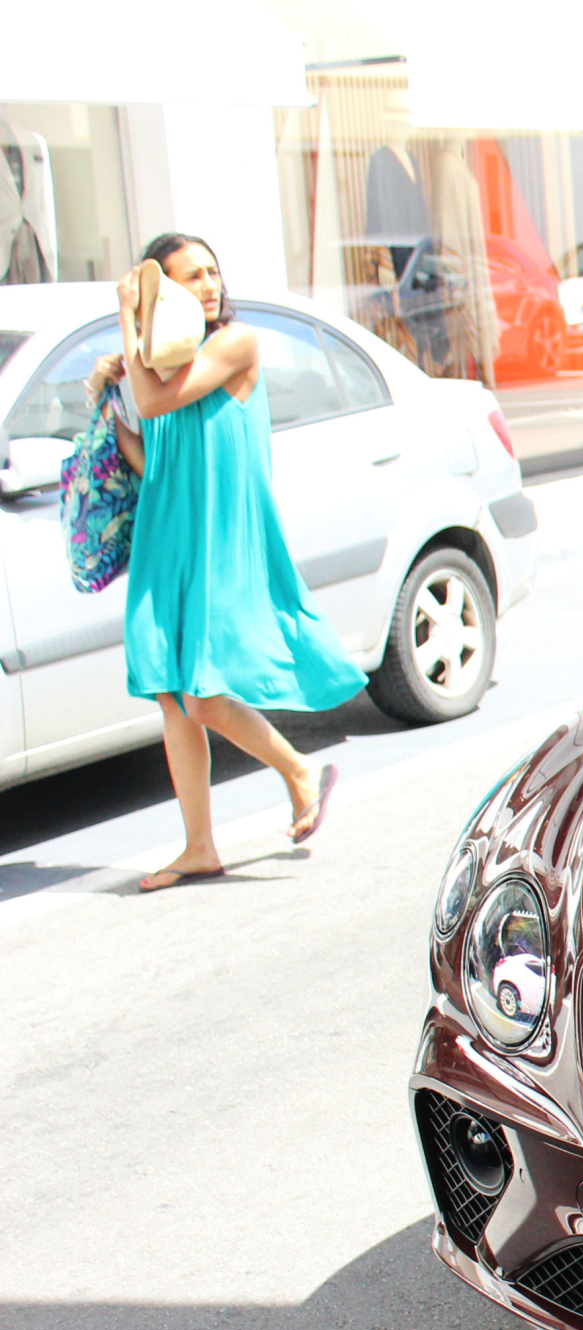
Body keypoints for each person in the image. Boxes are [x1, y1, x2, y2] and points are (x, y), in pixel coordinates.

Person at [88, 232, 360, 892]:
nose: (210, 284)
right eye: (191, 277)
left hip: (219, 537)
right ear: (166, 292)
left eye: (213, 272)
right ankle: (198, 846)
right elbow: (155, 456)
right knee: (171, 695)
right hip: (167, 535)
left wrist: (126, 321)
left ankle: (299, 771)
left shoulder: (235, 345)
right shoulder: (156, 368)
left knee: (203, 692)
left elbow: (158, 400)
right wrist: (107, 401)